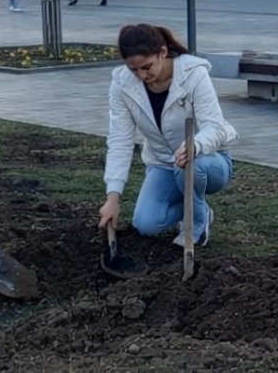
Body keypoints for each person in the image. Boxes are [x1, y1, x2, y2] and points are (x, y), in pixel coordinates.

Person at [100, 23, 237, 247]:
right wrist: (112, 197)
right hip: (163, 163)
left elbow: (215, 126)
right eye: (133, 69)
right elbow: (119, 141)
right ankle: (195, 206)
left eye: (147, 66)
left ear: (162, 52)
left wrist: (196, 145)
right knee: (146, 224)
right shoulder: (121, 85)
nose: (141, 75)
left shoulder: (194, 74)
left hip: (208, 161)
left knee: (191, 165)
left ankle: (198, 223)